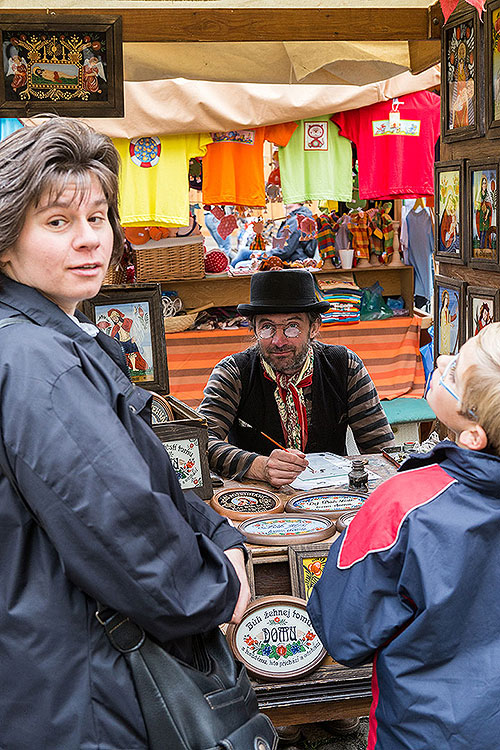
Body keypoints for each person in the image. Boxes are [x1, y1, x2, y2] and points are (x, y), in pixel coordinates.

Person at [0, 117, 250, 749]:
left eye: (97, 217)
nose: (89, 240)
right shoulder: (38, 363)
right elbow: (126, 530)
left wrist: (216, 533)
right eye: (57, 222)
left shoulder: (42, 342)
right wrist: (219, 583)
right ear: (6, 243)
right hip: (83, 690)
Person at [308, 323, 500, 749]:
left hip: (426, 729)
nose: (442, 361)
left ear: (473, 434)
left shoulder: (406, 503)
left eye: (453, 373)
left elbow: (343, 630)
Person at [198, 269, 394, 487]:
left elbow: (381, 449)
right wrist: (260, 467)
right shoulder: (233, 372)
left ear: (314, 327)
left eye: (292, 327)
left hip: (331, 498)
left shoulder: (344, 366)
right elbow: (200, 443)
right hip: (261, 501)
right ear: (253, 329)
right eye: (267, 327)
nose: (278, 341)